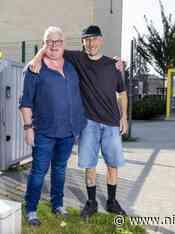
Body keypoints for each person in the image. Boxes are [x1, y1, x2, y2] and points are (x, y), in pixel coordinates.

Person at [29, 25, 128, 219]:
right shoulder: (77, 59)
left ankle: (112, 201)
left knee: (112, 165)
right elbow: (52, 47)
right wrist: (37, 56)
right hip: (89, 123)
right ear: (83, 42)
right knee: (90, 165)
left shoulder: (112, 65)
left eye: (94, 39)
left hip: (111, 124)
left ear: (101, 40)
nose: (90, 43)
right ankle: (91, 203)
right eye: (87, 40)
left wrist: (123, 116)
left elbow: (122, 92)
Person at [19, 26, 87, 226]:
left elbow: (95, 62)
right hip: (44, 132)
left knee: (60, 169)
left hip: (68, 131)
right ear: (44, 44)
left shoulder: (72, 66)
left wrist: (116, 65)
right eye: (49, 41)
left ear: (64, 44)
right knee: (39, 171)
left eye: (58, 41)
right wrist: (28, 128)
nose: (54, 45)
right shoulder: (34, 69)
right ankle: (31, 209)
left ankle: (57, 204)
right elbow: (25, 102)